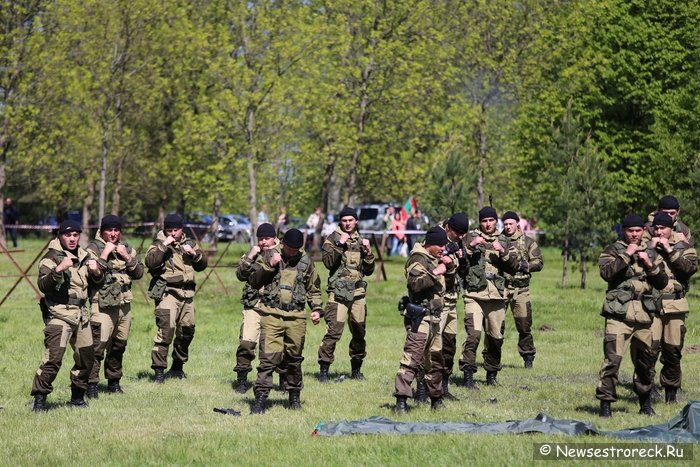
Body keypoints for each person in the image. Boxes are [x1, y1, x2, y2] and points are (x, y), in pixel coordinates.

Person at [596, 214, 669, 417]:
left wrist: (649, 264)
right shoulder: (613, 250)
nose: (635, 234)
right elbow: (606, 273)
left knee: (646, 363)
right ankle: (606, 405)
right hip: (619, 315)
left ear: (643, 231)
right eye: (630, 231)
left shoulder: (652, 252)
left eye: (638, 230)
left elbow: (663, 282)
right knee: (612, 361)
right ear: (623, 231)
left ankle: (645, 403)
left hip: (645, 316)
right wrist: (626, 255)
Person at [30, 220, 104, 411]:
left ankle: (77, 398)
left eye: (75, 235)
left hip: (81, 314)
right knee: (53, 359)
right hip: (59, 313)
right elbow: (43, 285)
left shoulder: (85, 256)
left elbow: (97, 284)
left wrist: (96, 273)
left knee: (87, 358)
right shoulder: (51, 257)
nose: (72, 239)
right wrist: (59, 270)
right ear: (60, 236)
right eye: (68, 235)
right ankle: (39, 400)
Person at [248, 228, 323, 414]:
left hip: (296, 317)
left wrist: (316, 309)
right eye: (288, 248)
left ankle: (294, 396)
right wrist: (269, 266)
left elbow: (314, 289)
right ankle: (260, 399)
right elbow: (254, 281)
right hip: (271, 314)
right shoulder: (270, 255)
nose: (291, 252)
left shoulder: (306, 262)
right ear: (283, 244)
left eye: (295, 250)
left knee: (294, 359)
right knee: (268, 359)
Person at [457, 207, 518, 388]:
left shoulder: (505, 240)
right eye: (484, 221)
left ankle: (491, 374)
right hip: (474, 294)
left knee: (495, 337)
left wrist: (503, 252)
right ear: (480, 222)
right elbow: (460, 264)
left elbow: (514, 267)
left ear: (496, 221)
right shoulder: (470, 237)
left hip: (497, 296)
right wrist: (470, 247)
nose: (488, 224)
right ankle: (468, 375)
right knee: (473, 335)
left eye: (491, 220)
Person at [85, 215, 144, 397]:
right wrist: (105, 254)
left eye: (116, 230)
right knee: (97, 346)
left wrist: (127, 257)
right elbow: (94, 277)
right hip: (102, 304)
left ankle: (114, 382)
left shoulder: (127, 248)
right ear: (102, 231)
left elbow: (139, 273)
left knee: (119, 345)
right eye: (109, 230)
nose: (113, 234)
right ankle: (91, 384)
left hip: (123, 303)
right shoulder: (93, 248)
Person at [394, 226, 451, 413]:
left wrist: (447, 265)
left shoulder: (433, 259)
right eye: (440, 245)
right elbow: (415, 284)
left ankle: (436, 399)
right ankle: (401, 401)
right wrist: (436, 272)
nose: (443, 248)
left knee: (434, 361)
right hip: (421, 317)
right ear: (430, 244)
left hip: (434, 317)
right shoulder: (418, 259)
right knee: (412, 358)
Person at [145, 214, 208, 383]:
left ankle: (177, 367)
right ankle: (159, 371)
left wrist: (194, 254)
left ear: (182, 229)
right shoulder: (158, 244)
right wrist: (164, 245)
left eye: (176, 230)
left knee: (187, 331)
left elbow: (203, 265)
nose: (173, 233)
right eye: (169, 230)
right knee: (166, 330)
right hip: (168, 292)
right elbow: (150, 262)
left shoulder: (189, 243)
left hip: (187, 294)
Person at [414, 212, 469, 403]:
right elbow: (425, 264)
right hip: (438, 300)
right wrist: (443, 259)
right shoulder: (435, 237)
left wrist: (462, 258)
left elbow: (463, 270)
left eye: (464, 234)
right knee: (428, 348)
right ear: (449, 228)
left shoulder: (458, 239)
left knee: (448, 346)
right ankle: (421, 389)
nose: (461, 237)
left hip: (453, 298)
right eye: (458, 233)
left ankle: (442, 388)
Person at [317, 207, 375, 382]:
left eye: (351, 220)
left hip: (358, 293)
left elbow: (369, 270)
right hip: (338, 293)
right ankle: (324, 371)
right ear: (340, 221)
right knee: (333, 332)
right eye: (344, 220)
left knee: (359, 332)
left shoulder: (361, 240)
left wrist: (369, 253)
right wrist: (340, 245)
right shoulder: (332, 239)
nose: (348, 223)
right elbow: (328, 263)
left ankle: (356, 370)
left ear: (356, 221)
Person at [648, 212, 697, 404]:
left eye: (663, 228)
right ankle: (647, 388)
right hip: (651, 305)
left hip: (675, 305)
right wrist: (651, 250)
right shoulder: (648, 245)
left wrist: (670, 251)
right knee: (648, 349)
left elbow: (689, 269)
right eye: (657, 228)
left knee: (673, 351)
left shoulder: (684, 246)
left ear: (671, 228)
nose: (659, 231)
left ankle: (671, 392)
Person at [233, 223, 279, 393]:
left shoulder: (284, 253)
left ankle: (280, 380)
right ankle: (242, 379)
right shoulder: (254, 254)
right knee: (246, 342)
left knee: (273, 347)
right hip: (253, 304)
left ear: (274, 238)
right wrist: (250, 256)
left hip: (275, 306)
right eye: (260, 239)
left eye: (266, 238)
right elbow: (240, 275)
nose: (263, 242)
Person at [501, 211, 543, 368]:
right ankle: (492, 359)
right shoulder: (499, 241)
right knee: (496, 326)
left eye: (510, 223)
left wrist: (524, 266)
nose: (508, 226)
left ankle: (528, 358)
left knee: (524, 326)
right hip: (502, 289)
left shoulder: (528, 242)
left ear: (517, 224)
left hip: (521, 289)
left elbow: (538, 263)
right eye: (505, 224)